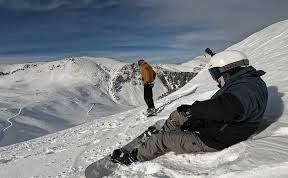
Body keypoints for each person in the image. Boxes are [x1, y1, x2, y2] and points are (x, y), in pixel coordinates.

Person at [111, 50, 268, 165]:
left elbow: (225, 108)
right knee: (178, 114)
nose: (215, 79)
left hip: (211, 140)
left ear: (228, 70)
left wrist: (195, 111)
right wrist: (194, 114)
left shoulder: (247, 89)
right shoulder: (247, 83)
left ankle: (132, 157)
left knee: (161, 140)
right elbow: (225, 109)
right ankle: (166, 132)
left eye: (215, 73)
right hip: (216, 128)